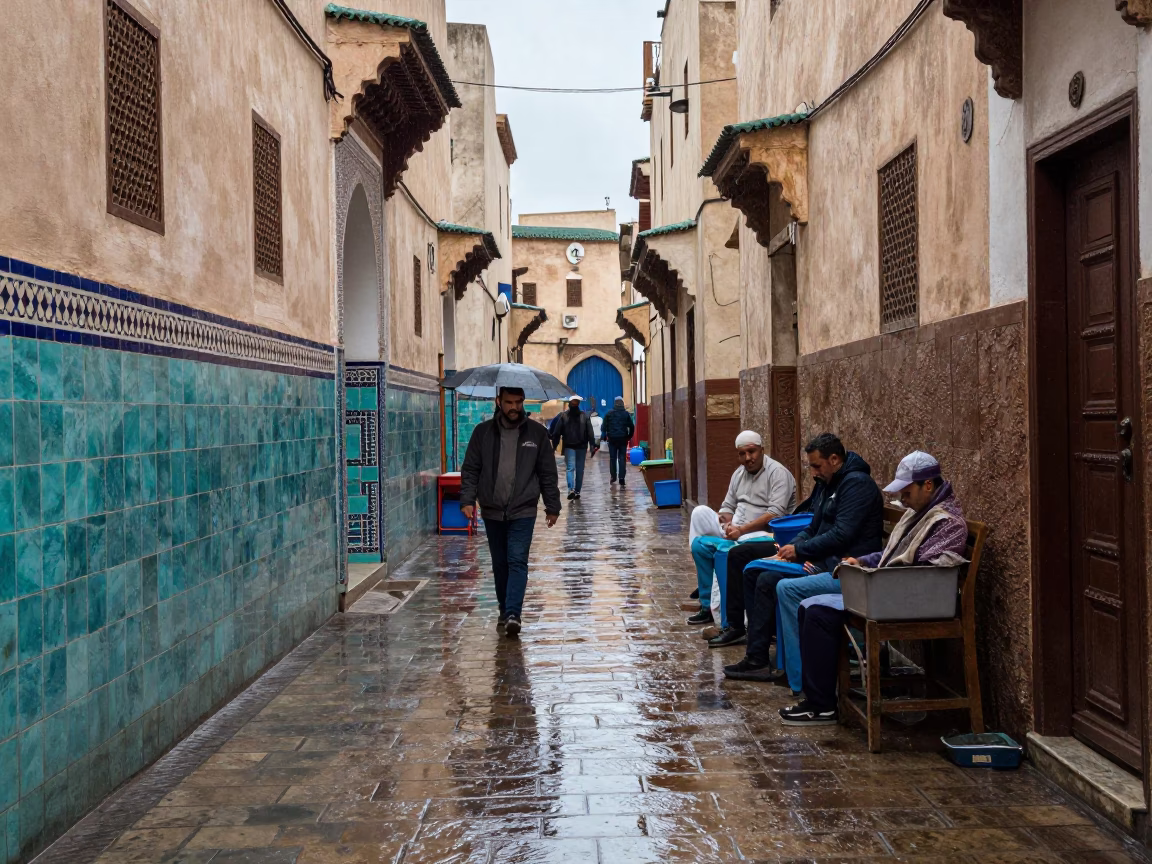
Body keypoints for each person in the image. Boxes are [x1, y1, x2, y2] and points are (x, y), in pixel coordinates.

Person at [780, 451, 969, 724]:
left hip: (908, 598)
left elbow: (921, 571)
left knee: (820, 614)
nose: (902, 499)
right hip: (891, 590)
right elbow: (893, 553)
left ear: (928, 485)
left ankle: (821, 705)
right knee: (811, 607)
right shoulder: (919, 512)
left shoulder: (947, 523)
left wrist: (872, 576)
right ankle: (818, 700)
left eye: (906, 492)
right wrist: (863, 561)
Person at [725, 432, 883, 689]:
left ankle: (784, 664)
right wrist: (792, 546)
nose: (813, 472)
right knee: (753, 571)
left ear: (834, 459)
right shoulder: (828, 482)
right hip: (821, 558)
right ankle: (756, 655)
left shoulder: (857, 485)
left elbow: (843, 535)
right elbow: (814, 526)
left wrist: (803, 552)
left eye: (816, 465)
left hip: (840, 566)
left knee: (769, 581)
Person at [460, 387, 562, 637]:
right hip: (492, 510)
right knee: (500, 563)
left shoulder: (537, 434)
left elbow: (547, 473)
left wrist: (552, 506)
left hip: (523, 509)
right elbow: (471, 468)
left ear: (523, 402)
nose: (513, 407)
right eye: (508, 402)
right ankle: (504, 610)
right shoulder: (482, 433)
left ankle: (514, 613)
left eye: (518, 402)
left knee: (517, 560)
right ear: (499, 402)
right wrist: (467, 499)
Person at [687, 431, 797, 629]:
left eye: (752, 452)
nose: (748, 458)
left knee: (729, 550)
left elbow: (776, 514)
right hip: (737, 531)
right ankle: (705, 603)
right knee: (699, 516)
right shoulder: (739, 473)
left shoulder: (778, 473)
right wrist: (726, 523)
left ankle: (722, 605)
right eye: (742, 454)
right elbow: (728, 507)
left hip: (764, 535)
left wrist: (742, 530)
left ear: (762, 450)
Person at [550, 395, 598, 500]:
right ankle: (576, 491)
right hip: (580, 446)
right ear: (578, 404)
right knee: (579, 469)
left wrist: (554, 446)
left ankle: (571, 489)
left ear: (569, 404)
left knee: (570, 468)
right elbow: (590, 432)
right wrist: (593, 445)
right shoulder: (584, 416)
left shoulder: (564, 416)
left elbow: (557, 433)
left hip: (569, 446)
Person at [601, 396, 636, 486]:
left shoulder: (609, 413)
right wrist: (629, 436)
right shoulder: (626, 414)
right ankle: (621, 478)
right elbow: (631, 427)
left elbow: (603, 427)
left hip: (612, 439)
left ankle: (613, 477)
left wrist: (604, 436)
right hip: (623, 439)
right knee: (622, 458)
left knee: (612, 458)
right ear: (622, 403)